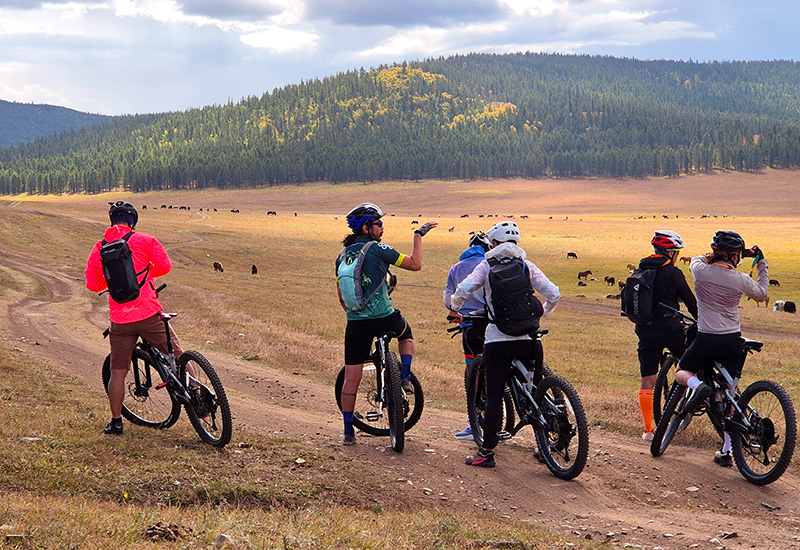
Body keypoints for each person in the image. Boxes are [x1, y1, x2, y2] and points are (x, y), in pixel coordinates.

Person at [448, 221, 560, 467]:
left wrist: (454, 308)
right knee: (536, 390)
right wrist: (543, 313)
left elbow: (463, 289)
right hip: (530, 338)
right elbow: (554, 294)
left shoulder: (486, 265)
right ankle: (548, 446)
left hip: (498, 339)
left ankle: (486, 452)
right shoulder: (527, 266)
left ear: (493, 244)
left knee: (494, 395)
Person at [336, 203, 437, 446]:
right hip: (384, 318)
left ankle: (348, 432)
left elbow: (341, 295)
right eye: (379, 224)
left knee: (351, 377)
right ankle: (404, 377)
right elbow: (415, 264)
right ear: (366, 228)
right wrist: (418, 235)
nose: (382, 228)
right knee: (406, 334)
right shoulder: (380, 249)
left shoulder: (342, 255)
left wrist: (356, 315)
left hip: (356, 323)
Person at [85, 201, 182, 435]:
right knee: (178, 354)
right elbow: (164, 267)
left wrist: (114, 281)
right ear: (132, 221)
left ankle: (116, 422)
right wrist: (144, 275)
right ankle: (199, 399)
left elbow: (93, 284)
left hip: (120, 320)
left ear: (112, 221)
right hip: (148, 312)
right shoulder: (145, 240)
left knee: (118, 371)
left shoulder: (99, 247)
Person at [675, 230, 769, 467]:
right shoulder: (739, 279)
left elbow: (698, 259)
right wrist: (762, 263)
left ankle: (698, 386)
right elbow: (762, 294)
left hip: (707, 337)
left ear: (716, 251)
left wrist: (714, 255)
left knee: (681, 371)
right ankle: (727, 450)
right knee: (730, 395)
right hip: (732, 340)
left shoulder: (700, 270)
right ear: (735, 256)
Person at [633, 231, 698, 442]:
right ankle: (695, 392)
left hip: (645, 330)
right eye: (676, 252)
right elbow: (691, 302)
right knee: (690, 363)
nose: (677, 256)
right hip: (670, 330)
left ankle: (648, 429)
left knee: (648, 379)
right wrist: (701, 320)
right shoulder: (673, 273)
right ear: (670, 252)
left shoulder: (641, 269)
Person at [443, 231, 492, 440]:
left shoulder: (456, 268)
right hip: (495, 323)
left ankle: (475, 424)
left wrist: (456, 311)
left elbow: (449, 299)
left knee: (474, 373)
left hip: (471, 325)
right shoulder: (491, 264)